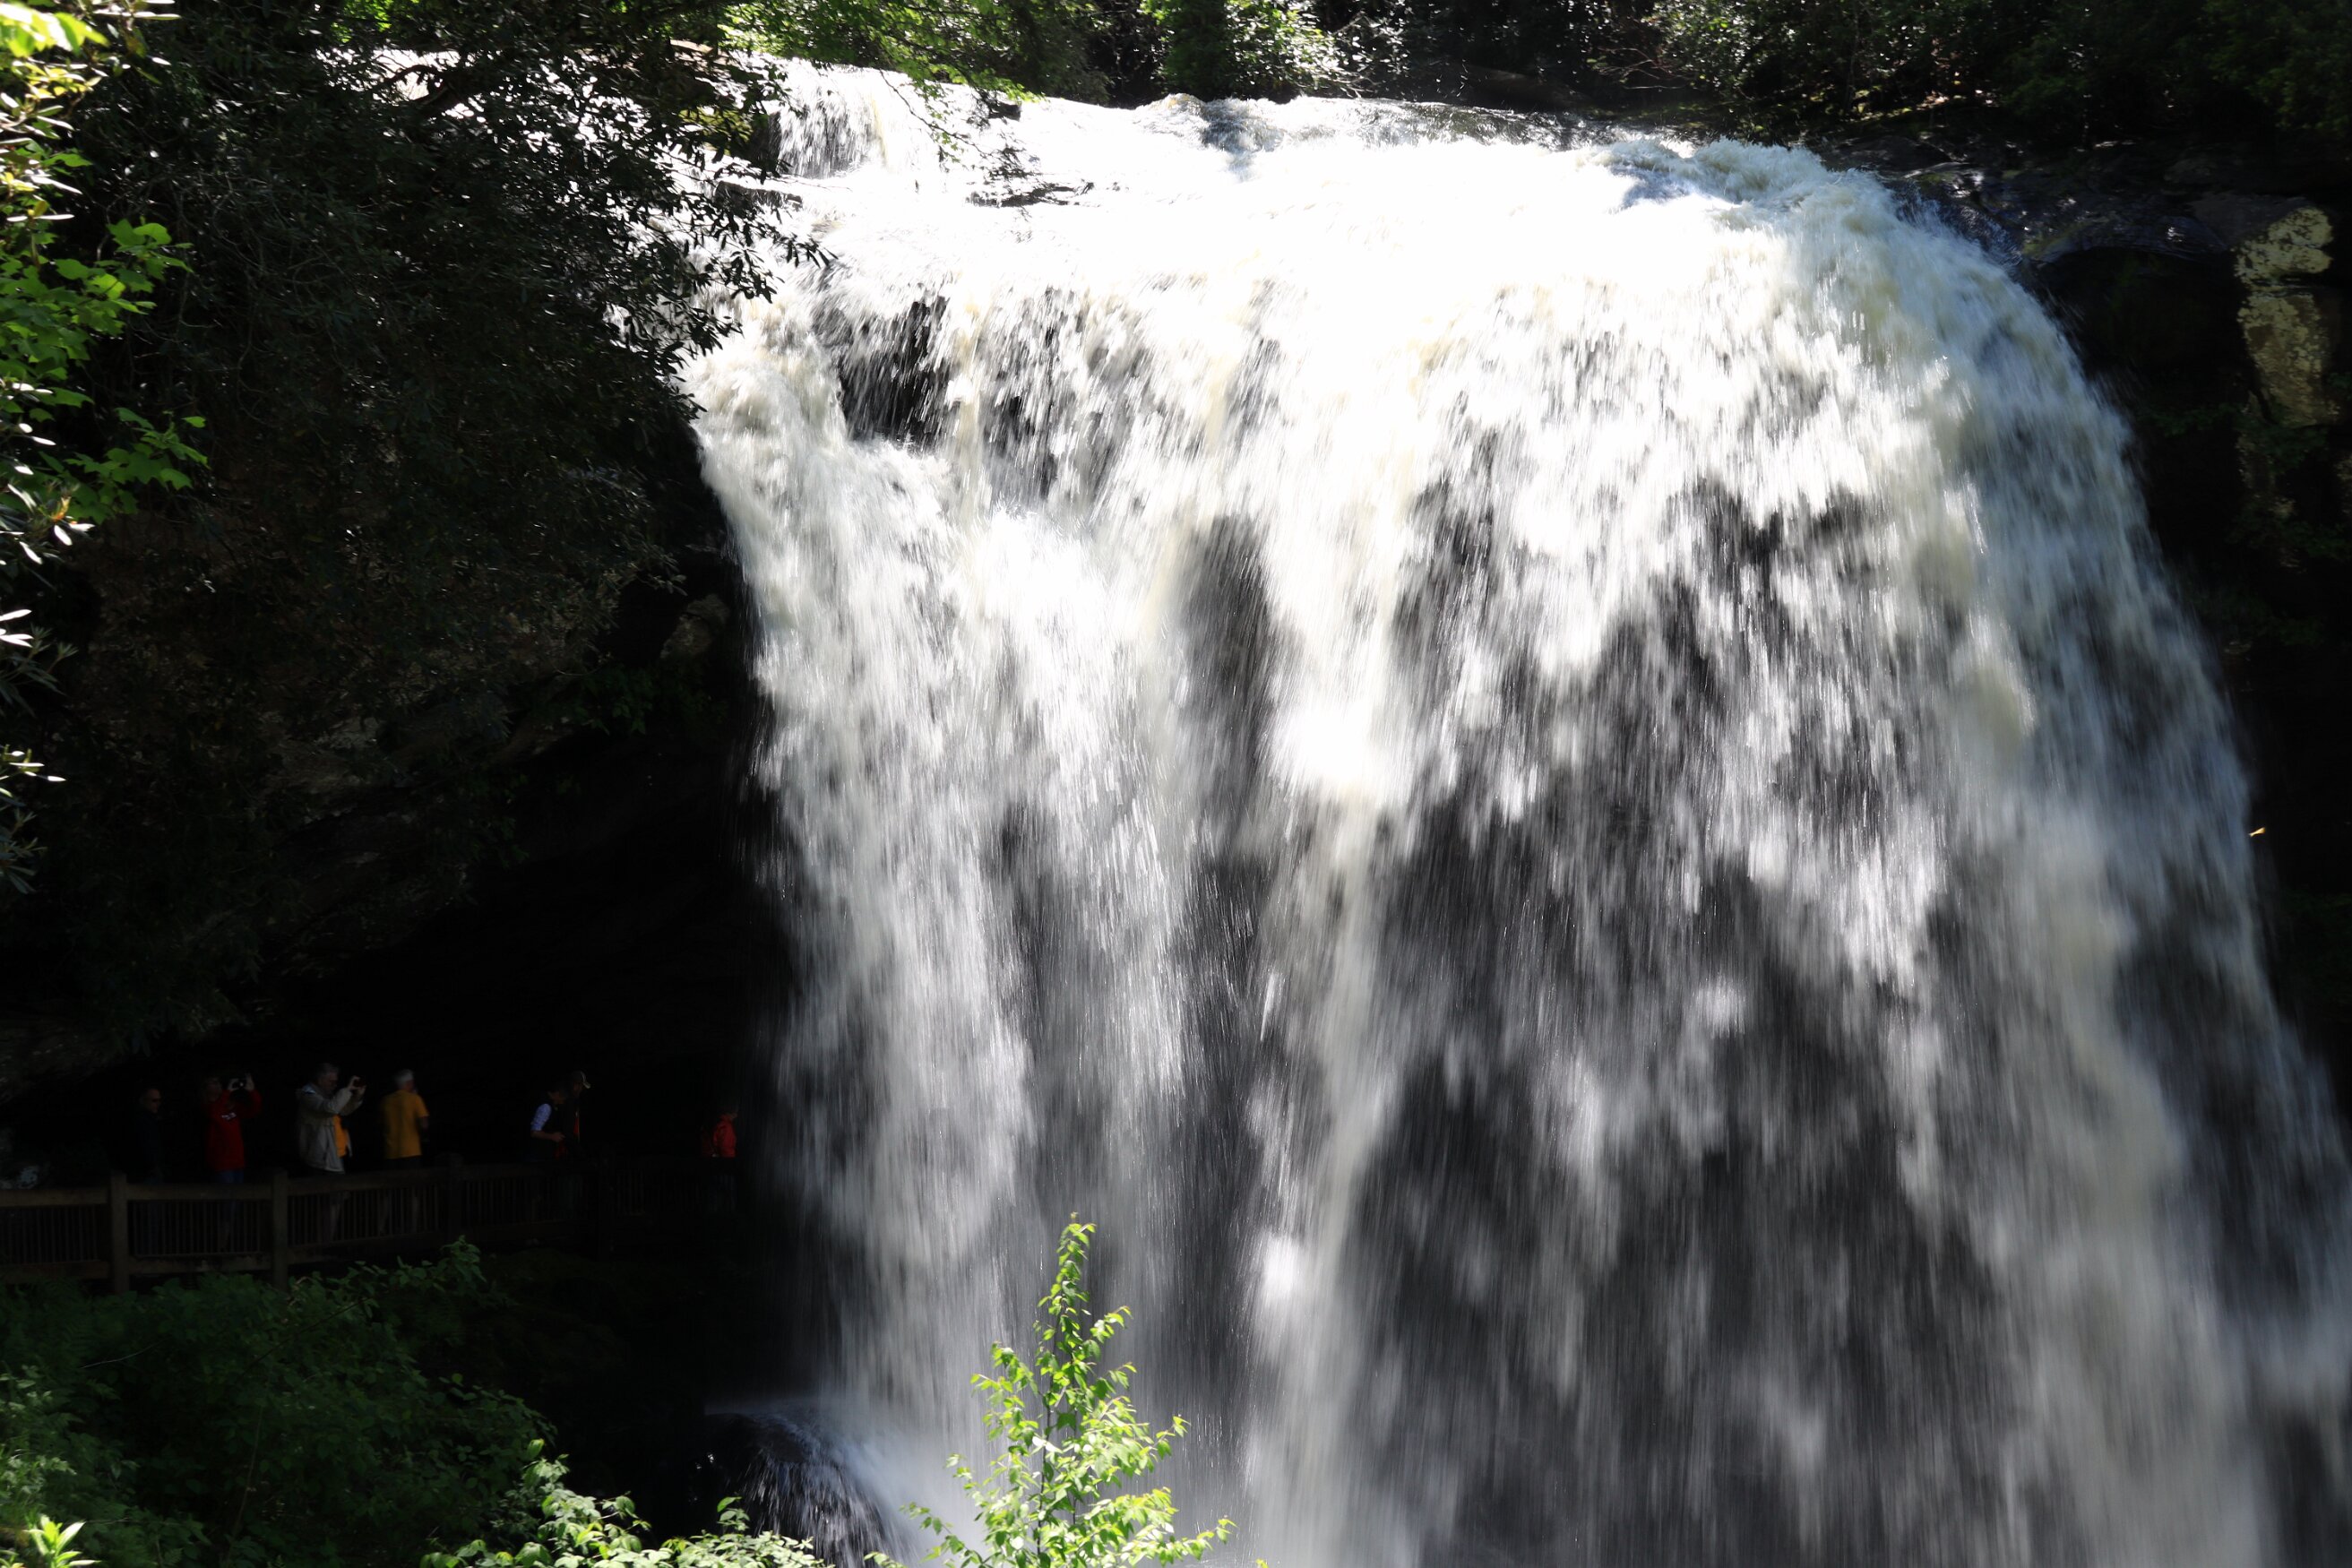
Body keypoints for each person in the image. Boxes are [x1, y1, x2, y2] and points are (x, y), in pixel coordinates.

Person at [295, 1063, 366, 1241]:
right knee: (323, 1205)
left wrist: (356, 1096)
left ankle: (326, 1241)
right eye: (331, 1081)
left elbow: (343, 1110)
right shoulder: (308, 1095)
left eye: (336, 1082)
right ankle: (320, 1243)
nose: (335, 1085)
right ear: (320, 1079)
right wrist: (346, 1089)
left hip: (334, 1157)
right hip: (320, 1160)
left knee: (335, 1203)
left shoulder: (327, 1095)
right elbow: (330, 1108)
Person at [198, 1072, 262, 1185]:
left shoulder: (230, 1105)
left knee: (238, 1194)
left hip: (238, 1162)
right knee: (227, 1195)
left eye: (218, 1082)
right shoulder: (207, 1107)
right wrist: (227, 1092)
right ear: (205, 1088)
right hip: (222, 1164)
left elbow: (253, 1110)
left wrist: (252, 1091)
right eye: (214, 1082)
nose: (218, 1084)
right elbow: (214, 1113)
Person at [377, 1070, 429, 1168]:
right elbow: (424, 1124)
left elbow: (380, 1124)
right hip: (411, 1152)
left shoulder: (385, 1101)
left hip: (390, 1153)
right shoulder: (415, 1099)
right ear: (409, 1083)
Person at [524, 1081, 568, 1161]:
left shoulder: (546, 1100)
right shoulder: (546, 1107)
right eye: (562, 1099)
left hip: (539, 1153)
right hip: (536, 1154)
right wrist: (552, 1136)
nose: (563, 1102)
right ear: (557, 1094)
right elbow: (534, 1132)